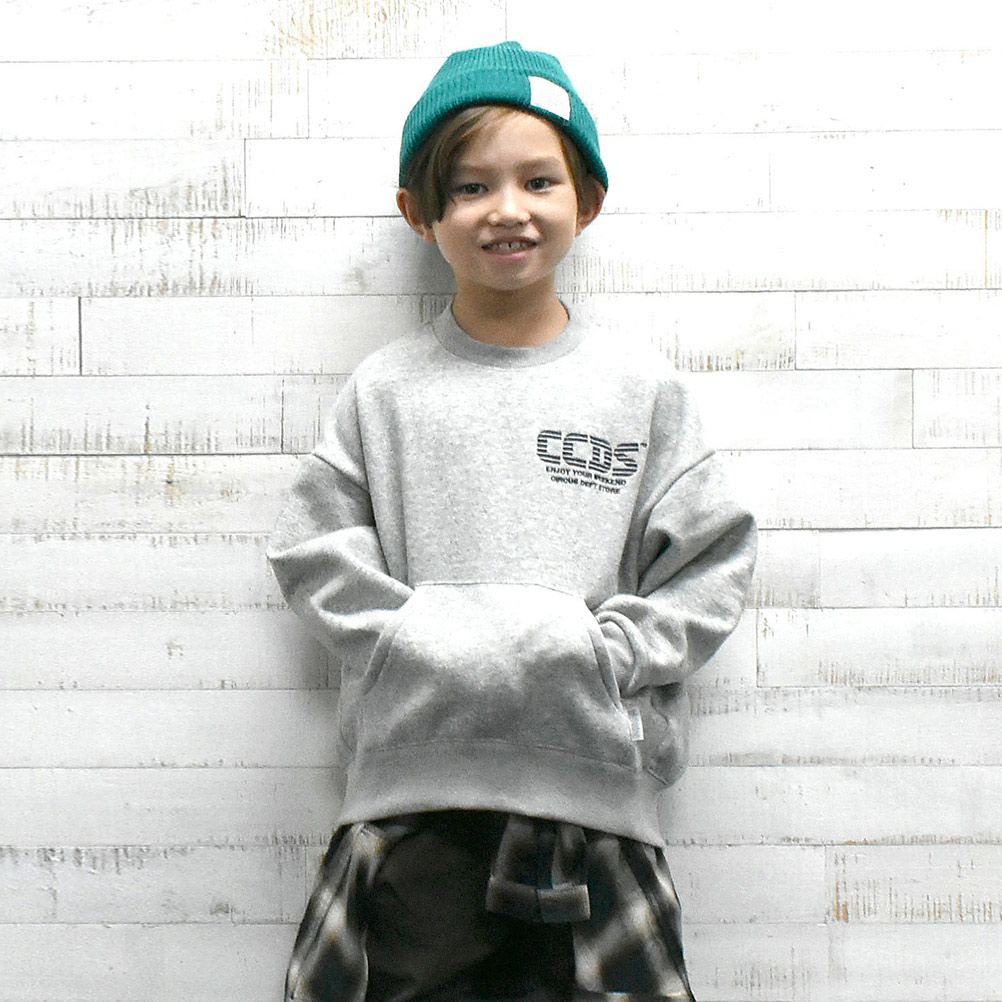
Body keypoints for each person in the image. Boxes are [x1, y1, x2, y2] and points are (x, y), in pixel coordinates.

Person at [267, 40, 757, 1002]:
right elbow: (312, 549)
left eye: (539, 180)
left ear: (588, 200)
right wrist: (412, 640)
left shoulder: (642, 390)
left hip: (597, 801)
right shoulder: (385, 389)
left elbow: (711, 559)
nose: (507, 208)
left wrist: (607, 655)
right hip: (413, 804)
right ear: (420, 212)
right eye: (470, 186)